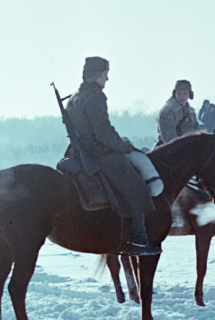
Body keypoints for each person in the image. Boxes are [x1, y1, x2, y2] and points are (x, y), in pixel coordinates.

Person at [63, 56, 160, 256]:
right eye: (105, 74)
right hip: (98, 154)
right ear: (96, 76)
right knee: (138, 188)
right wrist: (124, 146)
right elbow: (104, 133)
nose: (107, 79)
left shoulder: (75, 97)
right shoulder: (95, 97)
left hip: (77, 152)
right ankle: (139, 242)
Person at [156, 79, 201, 146]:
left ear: (189, 94)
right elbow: (170, 139)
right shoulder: (167, 112)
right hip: (168, 149)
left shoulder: (190, 112)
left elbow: (197, 132)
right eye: (179, 93)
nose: (182, 97)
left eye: (185, 93)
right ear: (175, 94)